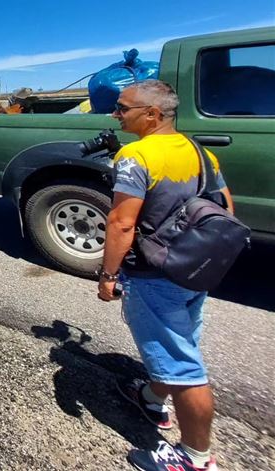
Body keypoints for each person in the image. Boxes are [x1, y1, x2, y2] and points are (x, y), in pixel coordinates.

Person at [97, 80, 233, 471]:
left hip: (155, 271)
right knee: (180, 340)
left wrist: (108, 274)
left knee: (183, 365)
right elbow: (225, 206)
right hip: (195, 267)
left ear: (152, 114)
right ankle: (153, 399)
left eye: (123, 108)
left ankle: (193, 457)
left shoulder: (135, 154)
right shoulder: (198, 150)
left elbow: (122, 223)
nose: (116, 114)